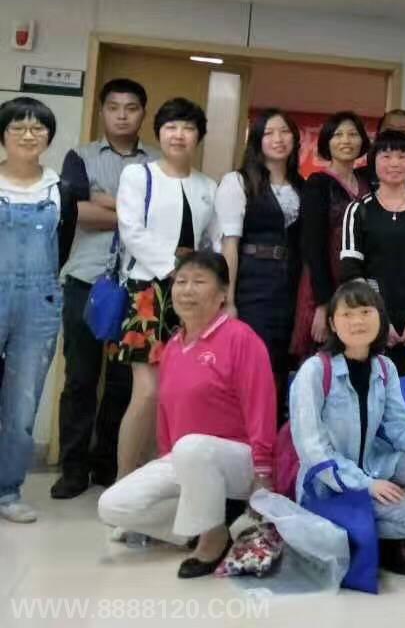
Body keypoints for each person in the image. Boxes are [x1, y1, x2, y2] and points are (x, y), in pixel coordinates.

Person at [97, 252, 275, 578]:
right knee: (112, 506)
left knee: (191, 447)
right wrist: (166, 459)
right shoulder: (173, 348)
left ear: (222, 294)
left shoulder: (241, 338)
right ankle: (198, 525)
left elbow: (261, 408)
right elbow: (167, 418)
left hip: (238, 461)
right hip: (187, 458)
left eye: (199, 281)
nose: (187, 290)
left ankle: (212, 536)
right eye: (181, 282)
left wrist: (263, 473)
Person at [289, 279, 405, 576]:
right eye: (347, 314)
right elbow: (312, 449)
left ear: (380, 318)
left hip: (370, 466)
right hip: (327, 484)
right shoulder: (315, 371)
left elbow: (399, 424)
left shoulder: (384, 367)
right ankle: (367, 534)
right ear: (332, 323)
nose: (357, 321)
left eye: (365, 312)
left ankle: (379, 538)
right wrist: (366, 485)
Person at [52, 79, 154, 501]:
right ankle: (72, 468)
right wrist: (133, 212)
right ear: (102, 111)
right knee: (80, 378)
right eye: (114, 107)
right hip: (85, 279)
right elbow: (77, 212)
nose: (122, 115)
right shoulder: (81, 156)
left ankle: (108, 465)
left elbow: (160, 219)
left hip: (139, 283)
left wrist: (106, 201)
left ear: (142, 112)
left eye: (131, 107)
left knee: (123, 382)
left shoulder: (157, 161)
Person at [114, 97, 218, 481]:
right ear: (159, 133)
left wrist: (208, 283)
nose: (179, 135)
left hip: (194, 299)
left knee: (178, 393)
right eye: (171, 126)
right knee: (147, 392)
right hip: (147, 292)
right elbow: (131, 231)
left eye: (188, 128)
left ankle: (159, 480)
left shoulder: (208, 186)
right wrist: (177, 269)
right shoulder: (138, 175)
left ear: (198, 137)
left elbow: (213, 243)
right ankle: (124, 480)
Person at [0, 97, 78, 523]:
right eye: (18, 127)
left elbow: (62, 248)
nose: (28, 135)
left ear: (49, 136)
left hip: (39, 303)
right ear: (3, 135)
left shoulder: (60, 189)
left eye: (38, 128)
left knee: (22, 401)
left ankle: (7, 491)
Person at [215, 109, 304, 418]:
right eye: (269, 133)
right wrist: (228, 299)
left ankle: (271, 437)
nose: (278, 139)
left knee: (282, 363)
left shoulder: (302, 186)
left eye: (285, 131)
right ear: (256, 140)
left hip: (290, 286)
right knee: (254, 361)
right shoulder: (238, 182)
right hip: (252, 284)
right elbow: (230, 244)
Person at [340, 129, 405, 372]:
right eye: (386, 156)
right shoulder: (358, 210)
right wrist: (377, 319)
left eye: (402, 156)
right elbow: (351, 270)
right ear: (373, 162)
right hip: (368, 321)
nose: (394, 163)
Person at [291, 111, 371, 359]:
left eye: (353, 134)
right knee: (323, 359)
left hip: (359, 280)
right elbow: (312, 245)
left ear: (362, 141)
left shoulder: (367, 183)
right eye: (338, 135)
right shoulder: (317, 183)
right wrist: (323, 304)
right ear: (327, 141)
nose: (346, 140)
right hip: (325, 281)